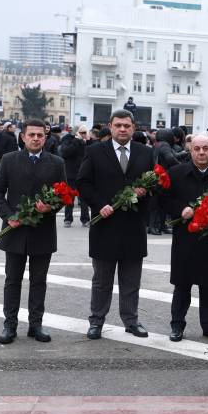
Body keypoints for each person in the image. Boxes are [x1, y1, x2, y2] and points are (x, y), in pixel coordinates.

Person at [77, 110, 155, 340]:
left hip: (133, 226)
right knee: (101, 280)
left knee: (131, 280)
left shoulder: (145, 153)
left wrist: (145, 192)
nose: (123, 129)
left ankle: (131, 321)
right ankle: (96, 321)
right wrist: (99, 205)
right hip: (105, 224)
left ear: (133, 128)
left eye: (127, 126)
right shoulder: (94, 151)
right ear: (110, 127)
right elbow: (83, 183)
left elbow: (155, 185)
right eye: (118, 125)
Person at [0, 118, 66, 344]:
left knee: (39, 280)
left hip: (43, 231)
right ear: (22, 137)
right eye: (31, 135)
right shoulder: (9, 160)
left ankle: (36, 325)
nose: (35, 138)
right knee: (12, 280)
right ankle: (9, 325)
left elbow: (63, 196)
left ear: (46, 137)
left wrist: (51, 207)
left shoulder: (56, 163)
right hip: (15, 230)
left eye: (40, 135)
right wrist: (8, 216)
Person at [160, 135, 208, 342]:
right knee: (182, 285)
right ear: (190, 150)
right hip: (185, 238)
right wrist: (180, 210)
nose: (201, 152)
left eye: (206, 148)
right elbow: (162, 200)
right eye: (197, 148)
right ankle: (177, 325)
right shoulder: (177, 173)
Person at [59, 125, 90, 228]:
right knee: (70, 198)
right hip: (71, 173)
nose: (84, 135)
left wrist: (87, 141)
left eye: (85, 132)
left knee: (84, 199)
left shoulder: (87, 141)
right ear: (77, 133)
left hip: (83, 174)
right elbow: (65, 152)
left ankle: (85, 219)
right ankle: (68, 219)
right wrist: (77, 141)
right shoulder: (68, 139)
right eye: (82, 132)